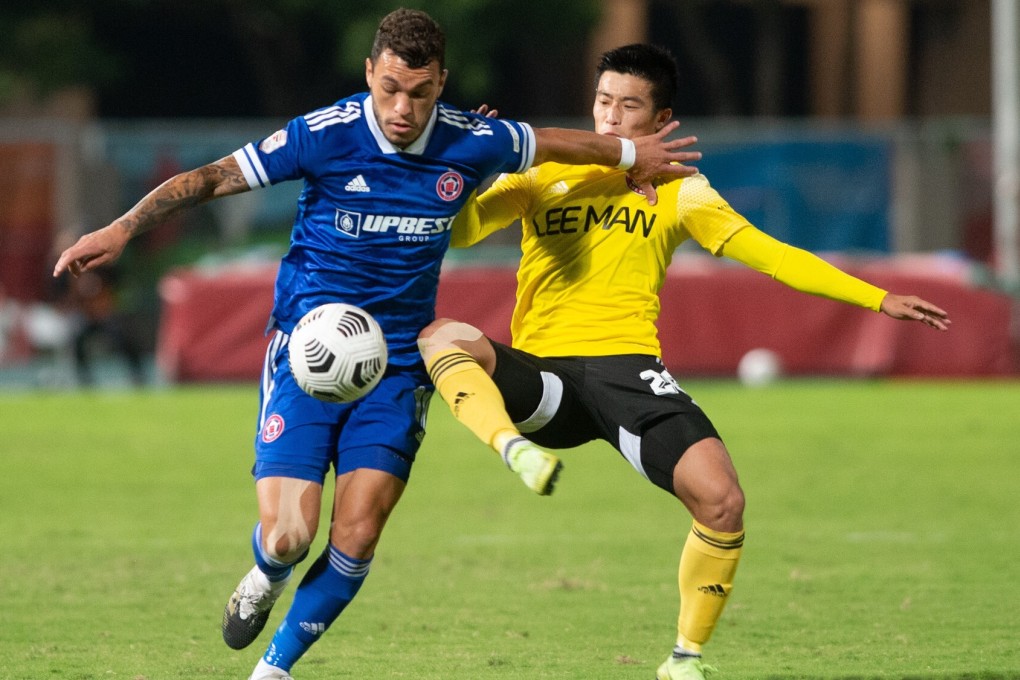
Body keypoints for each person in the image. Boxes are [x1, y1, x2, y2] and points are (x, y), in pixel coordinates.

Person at [52, 12, 702, 680]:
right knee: (289, 538)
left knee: (356, 535)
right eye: (389, 87)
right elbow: (217, 176)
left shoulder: (470, 140)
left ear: (441, 83)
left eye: (419, 93)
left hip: (396, 369)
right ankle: (266, 573)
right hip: (308, 357)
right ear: (369, 73)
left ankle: (272, 672)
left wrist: (632, 155)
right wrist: (123, 228)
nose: (402, 107)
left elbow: (551, 142)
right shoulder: (324, 135)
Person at [417, 43, 951, 680]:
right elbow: (454, 231)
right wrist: (456, 166)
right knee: (443, 334)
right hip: (545, 377)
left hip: (629, 374)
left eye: (629, 106)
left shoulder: (682, 190)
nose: (610, 117)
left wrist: (876, 297)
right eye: (603, 101)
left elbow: (772, 254)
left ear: (660, 117)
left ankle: (684, 660)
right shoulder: (542, 168)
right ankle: (512, 448)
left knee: (723, 501)